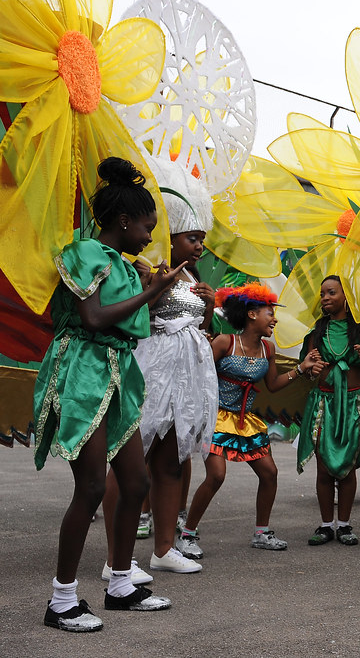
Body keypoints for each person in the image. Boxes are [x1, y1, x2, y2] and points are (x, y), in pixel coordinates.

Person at [34, 157, 180, 631]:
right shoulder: (86, 253)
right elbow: (95, 318)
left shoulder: (122, 262)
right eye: (146, 227)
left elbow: (130, 325)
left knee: (136, 483)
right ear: (123, 221)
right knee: (93, 486)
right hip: (83, 370)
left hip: (116, 371)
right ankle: (61, 600)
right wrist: (148, 291)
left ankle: (119, 584)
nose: (149, 237)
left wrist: (156, 290)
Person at [181, 284, 322, 554]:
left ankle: (262, 532)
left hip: (246, 420)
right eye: (270, 313)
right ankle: (187, 535)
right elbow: (198, 374)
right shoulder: (225, 343)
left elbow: (273, 385)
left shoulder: (267, 349)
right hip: (217, 417)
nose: (275, 319)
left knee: (269, 473)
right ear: (252, 315)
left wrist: (301, 369)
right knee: (216, 476)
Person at [129, 158, 218, 573]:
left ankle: (164, 550)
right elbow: (137, 320)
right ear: (170, 235)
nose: (199, 246)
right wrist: (155, 286)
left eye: (202, 239)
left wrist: (210, 305)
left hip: (187, 374)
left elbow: (199, 330)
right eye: (192, 237)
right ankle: (120, 557)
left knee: (170, 460)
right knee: (134, 457)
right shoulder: (150, 269)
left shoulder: (190, 279)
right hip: (157, 369)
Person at [299, 275, 360, 547]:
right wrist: (313, 369)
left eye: (331, 292)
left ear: (345, 297)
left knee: (346, 469)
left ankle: (344, 525)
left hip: (352, 404)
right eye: (322, 294)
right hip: (325, 403)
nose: (325, 298)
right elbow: (307, 371)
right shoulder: (316, 332)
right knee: (324, 469)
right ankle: (325, 526)